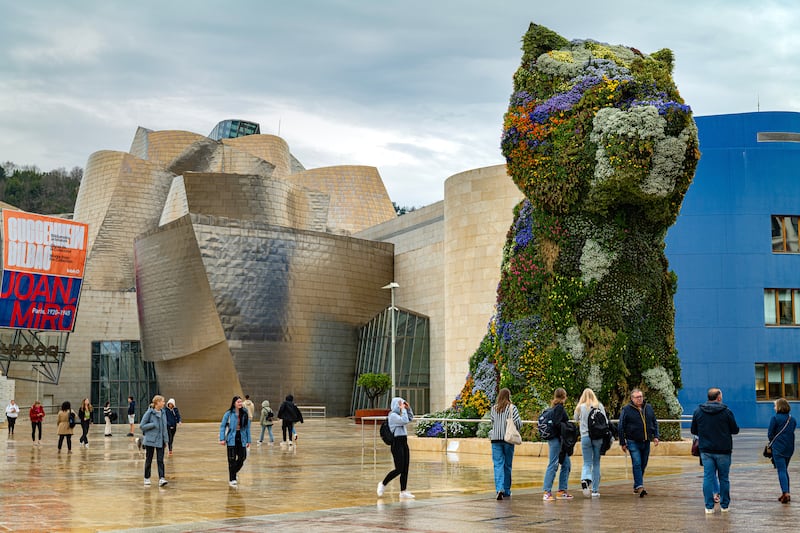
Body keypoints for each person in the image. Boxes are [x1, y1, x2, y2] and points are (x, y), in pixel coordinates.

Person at [691, 387, 739, 513]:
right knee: (724, 478)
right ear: (718, 397)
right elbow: (735, 430)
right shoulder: (726, 412)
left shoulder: (698, 411)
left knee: (708, 477)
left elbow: (693, 430)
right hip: (723, 450)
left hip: (706, 450)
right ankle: (724, 506)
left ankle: (709, 507)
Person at [618, 388, 660, 497]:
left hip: (646, 441)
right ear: (632, 398)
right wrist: (622, 442)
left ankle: (637, 484)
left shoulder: (648, 407)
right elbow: (621, 426)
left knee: (643, 463)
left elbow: (654, 422)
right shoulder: (626, 409)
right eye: (637, 397)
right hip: (633, 441)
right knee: (636, 463)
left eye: (640, 396)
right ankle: (640, 486)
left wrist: (656, 436)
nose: (639, 399)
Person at [377, 397, 415, 498]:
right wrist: (403, 410)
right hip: (396, 443)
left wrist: (408, 409)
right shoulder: (393, 416)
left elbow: (410, 418)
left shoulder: (400, 415)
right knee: (399, 468)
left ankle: (403, 491)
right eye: (400, 404)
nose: (402, 406)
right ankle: (383, 483)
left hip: (404, 442)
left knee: (405, 468)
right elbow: (405, 420)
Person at [489, 388, 522, 500]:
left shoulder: (493, 409)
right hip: (508, 439)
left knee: (498, 465)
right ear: (508, 396)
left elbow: (492, 422)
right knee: (507, 465)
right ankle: (507, 490)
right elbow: (518, 423)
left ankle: (499, 489)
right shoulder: (512, 408)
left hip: (495, 439)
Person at [574, 387, 606, 498]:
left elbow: (575, 418)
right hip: (597, 437)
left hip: (585, 436)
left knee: (587, 462)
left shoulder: (580, 407)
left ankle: (585, 479)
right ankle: (595, 490)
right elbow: (605, 421)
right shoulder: (599, 406)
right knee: (596, 463)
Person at [542, 388, 572, 501]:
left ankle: (561, 490)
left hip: (557, 439)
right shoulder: (559, 408)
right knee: (553, 464)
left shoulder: (554, 407)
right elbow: (557, 423)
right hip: (556, 439)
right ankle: (547, 491)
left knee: (566, 464)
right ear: (564, 396)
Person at [767, 397, 796, 504]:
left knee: (781, 470)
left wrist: (773, 442)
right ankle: (786, 492)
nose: (774, 408)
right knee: (784, 470)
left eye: (775, 405)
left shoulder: (775, 418)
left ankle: (786, 493)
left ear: (779, 407)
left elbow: (770, 434)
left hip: (778, 448)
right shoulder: (792, 419)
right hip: (789, 448)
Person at [219, 395, 251, 487]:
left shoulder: (245, 413)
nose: (240, 403)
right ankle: (232, 479)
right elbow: (222, 426)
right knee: (231, 459)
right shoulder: (228, 414)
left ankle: (234, 472)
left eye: (241, 402)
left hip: (242, 437)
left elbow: (247, 427)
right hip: (231, 438)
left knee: (242, 457)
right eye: (238, 402)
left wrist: (248, 440)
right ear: (234, 403)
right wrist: (222, 439)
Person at [140, 395, 169, 487]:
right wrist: (153, 424)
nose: (164, 403)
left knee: (160, 460)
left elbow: (165, 428)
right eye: (162, 401)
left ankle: (161, 478)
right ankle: (146, 478)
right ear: (157, 402)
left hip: (161, 440)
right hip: (150, 440)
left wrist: (166, 440)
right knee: (149, 459)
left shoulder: (163, 413)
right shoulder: (149, 413)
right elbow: (142, 426)